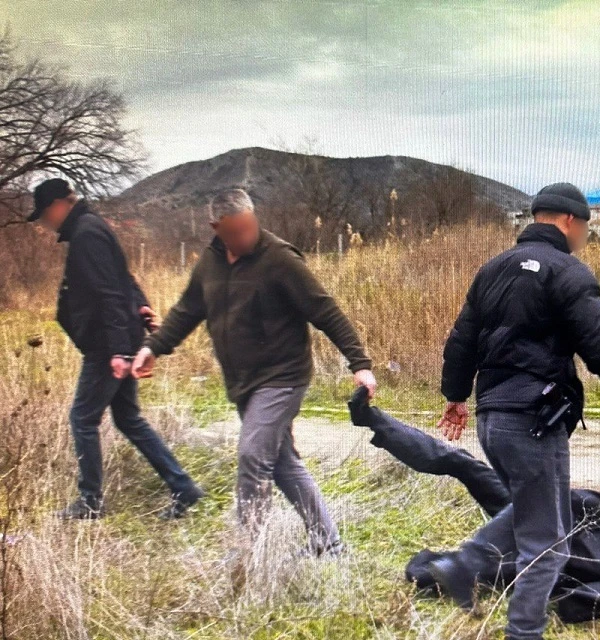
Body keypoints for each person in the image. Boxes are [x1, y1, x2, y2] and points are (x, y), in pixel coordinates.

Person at [437, 182, 600, 640]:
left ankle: (464, 563)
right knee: (548, 545)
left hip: (491, 416)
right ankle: (523, 632)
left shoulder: (492, 269)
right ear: (570, 222)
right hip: (532, 420)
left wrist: (455, 397)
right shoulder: (566, 271)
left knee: (536, 510)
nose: (584, 238)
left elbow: (461, 339)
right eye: (586, 229)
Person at [132, 188, 376, 556]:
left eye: (250, 227)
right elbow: (186, 311)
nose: (247, 237)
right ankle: (329, 544)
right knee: (282, 463)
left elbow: (326, 311)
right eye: (237, 232)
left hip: (283, 377)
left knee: (252, 457)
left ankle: (246, 557)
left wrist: (360, 364)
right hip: (242, 383)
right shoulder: (210, 264)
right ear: (217, 227)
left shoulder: (279, 259)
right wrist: (152, 347)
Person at [346, 386, 600, 625]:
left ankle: (443, 569)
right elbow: (574, 498)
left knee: (440, 574)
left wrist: (581, 603)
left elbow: (576, 604)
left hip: (526, 553)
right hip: (532, 506)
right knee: (464, 464)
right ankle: (373, 419)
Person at [28, 178, 202, 520]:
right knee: (128, 418)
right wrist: (141, 307)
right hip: (116, 340)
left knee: (82, 418)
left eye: (45, 214)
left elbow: (109, 292)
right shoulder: (92, 227)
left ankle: (90, 501)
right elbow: (125, 280)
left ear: (58, 205)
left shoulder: (86, 234)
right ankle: (183, 487)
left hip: (107, 345)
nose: (46, 223)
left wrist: (121, 353)